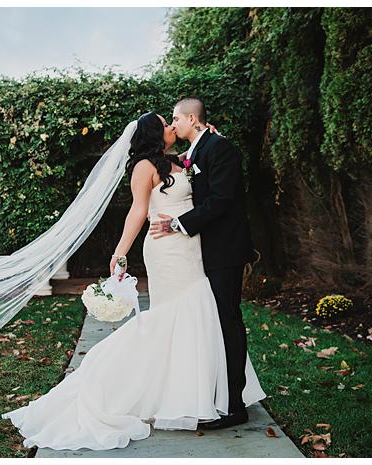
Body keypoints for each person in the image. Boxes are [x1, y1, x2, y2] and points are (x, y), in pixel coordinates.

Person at [0, 111, 266, 451]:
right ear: (155, 134)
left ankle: (203, 394)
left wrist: (210, 136)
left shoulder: (178, 161)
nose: (172, 126)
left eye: (173, 121)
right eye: (165, 124)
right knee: (173, 317)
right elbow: (138, 211)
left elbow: (199, 166)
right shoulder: (144, 167)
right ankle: (112, 380)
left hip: (192, 248)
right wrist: (120, 253)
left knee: (199, 316)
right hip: (168, 250)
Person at [149, 96, 260, 430]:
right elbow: (193, 176)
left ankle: (234, 406)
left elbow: (222, 199)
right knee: (215, 323)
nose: (173, 125)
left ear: (193, 119)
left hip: (225, 250)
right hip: (205, 251)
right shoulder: (197, 150)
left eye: (176, 119)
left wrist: (178, 224)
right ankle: (219, 396)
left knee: (227, 322)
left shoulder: (220, 148)